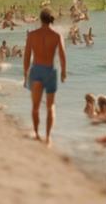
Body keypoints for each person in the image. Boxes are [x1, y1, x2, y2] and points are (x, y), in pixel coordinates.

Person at [23, 8, 67, 146]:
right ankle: (48, 137)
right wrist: (63, 72)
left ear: (40, 19)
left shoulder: (32, 35)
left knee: (35, 107)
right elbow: (62, 55)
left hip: (36, 71)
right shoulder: (56, 35)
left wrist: (25, 74)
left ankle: (36, 134)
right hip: (50, 71)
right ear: (51, 20)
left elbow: (27, 56)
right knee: (50, 106)